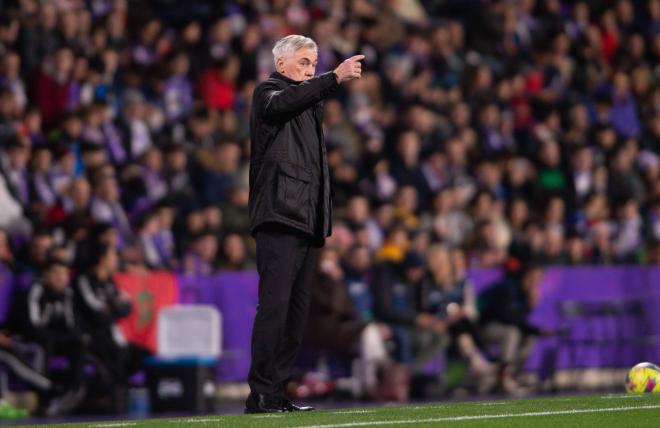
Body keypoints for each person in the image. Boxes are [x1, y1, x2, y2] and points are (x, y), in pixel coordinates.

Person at [245, 34, 364, 413]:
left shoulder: (309, 103)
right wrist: (332, 77)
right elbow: (282, 106)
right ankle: (260, 392)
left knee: (296, 317)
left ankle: (277, 391)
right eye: (304, 63)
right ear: (281, 65)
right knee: (275, 308)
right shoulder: (268, 92)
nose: (310, 70)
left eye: (314, 64)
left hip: (306, 220)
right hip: (279, 213)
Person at [478, 261, 544, 394]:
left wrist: (537, 330)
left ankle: (512, 374)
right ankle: (505, 378)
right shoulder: (509, 288)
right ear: (526, 276)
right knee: (512, 333)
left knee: (529, 338)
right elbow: (511, 319)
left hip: (503, 327)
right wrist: (529, 306)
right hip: (486, 327)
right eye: (534, 278)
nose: (536, 283)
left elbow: (518, 320)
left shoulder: (523, 293)